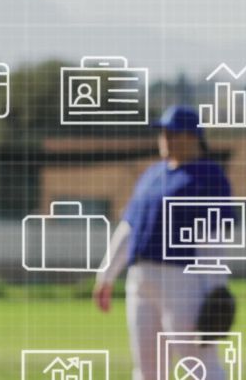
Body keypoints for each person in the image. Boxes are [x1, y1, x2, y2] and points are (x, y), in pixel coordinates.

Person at [93, 105, 233, 380]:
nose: (165, 138)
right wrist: (106, 274)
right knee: (147, 369)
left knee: (200, 365)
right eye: (163, 132)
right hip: (141, 280)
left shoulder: (209, 176)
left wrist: (216, 289)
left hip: (182, 280)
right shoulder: (152, 174)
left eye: (173, 133)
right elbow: (129, 227)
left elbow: (213, 236)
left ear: (193, 137)